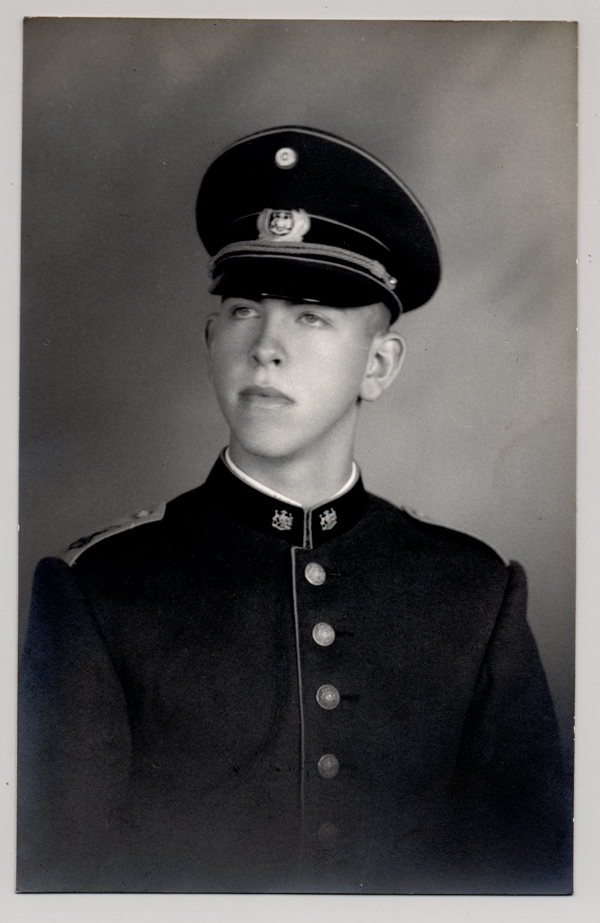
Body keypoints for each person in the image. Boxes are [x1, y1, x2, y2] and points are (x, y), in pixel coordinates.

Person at [18, 126, 571, 895]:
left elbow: (534, 882)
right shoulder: (99, 589)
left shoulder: (474, 594)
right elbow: (54, 883)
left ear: (378, 365)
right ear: (211, 338)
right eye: (244, 308)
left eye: (311, 314)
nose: (266, 346)